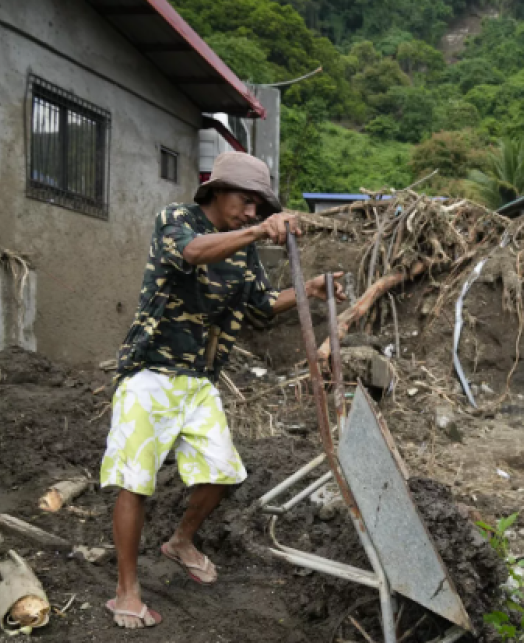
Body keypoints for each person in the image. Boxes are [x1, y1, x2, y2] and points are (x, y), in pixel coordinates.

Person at [100, 152, 345, 628]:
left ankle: (180, 541)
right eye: (246, 201)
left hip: (197, 379)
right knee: (135, 481)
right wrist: (257, 231)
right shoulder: (176, 219)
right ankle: (126, 591)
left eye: (259, 206)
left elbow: (259, 305)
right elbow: (191, 253)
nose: (252, 212)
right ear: (217, 189)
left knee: (222, 472)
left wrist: (308, 291)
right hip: (150, 372)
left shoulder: (245, 250)